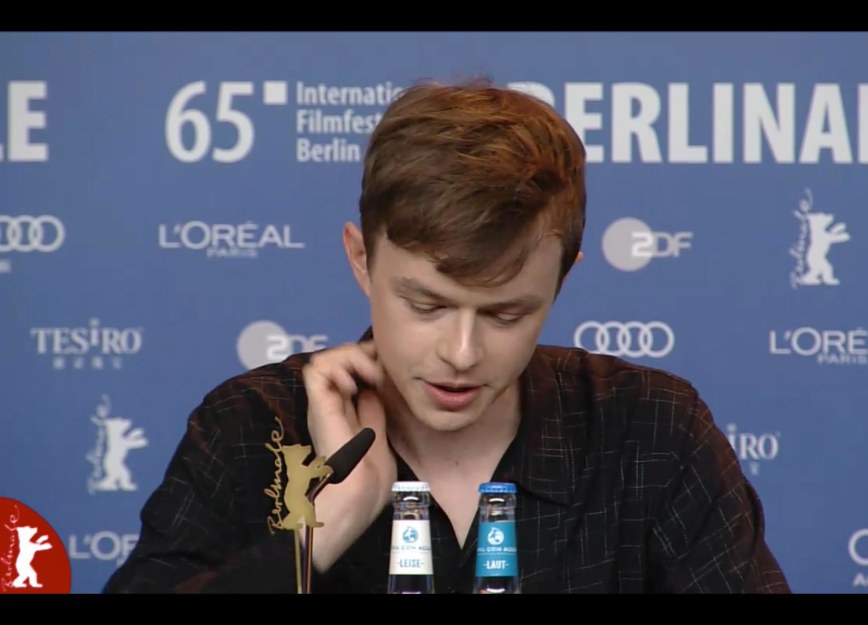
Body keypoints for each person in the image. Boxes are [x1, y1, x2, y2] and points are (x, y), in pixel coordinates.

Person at [103, 76, 790, 594]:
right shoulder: (252, 426)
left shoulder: (652, 430)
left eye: (505, 315)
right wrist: (325, 526)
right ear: (361, 260)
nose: (461, 354)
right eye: (426, 305)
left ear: (563, 280)